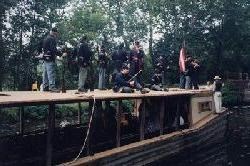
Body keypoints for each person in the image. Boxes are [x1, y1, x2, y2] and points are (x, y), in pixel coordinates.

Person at [41, 27, 60, 92]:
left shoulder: (46, 38)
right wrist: (60, 54)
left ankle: (45, 87)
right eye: (56, 33)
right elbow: (53, 49)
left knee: (45, 73)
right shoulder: (52, 39)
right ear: (54, 32)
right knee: (51, 73)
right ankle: (52, 87)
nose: (56, 35)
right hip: (50, 58)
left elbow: (41, 47)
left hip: (45, 58)